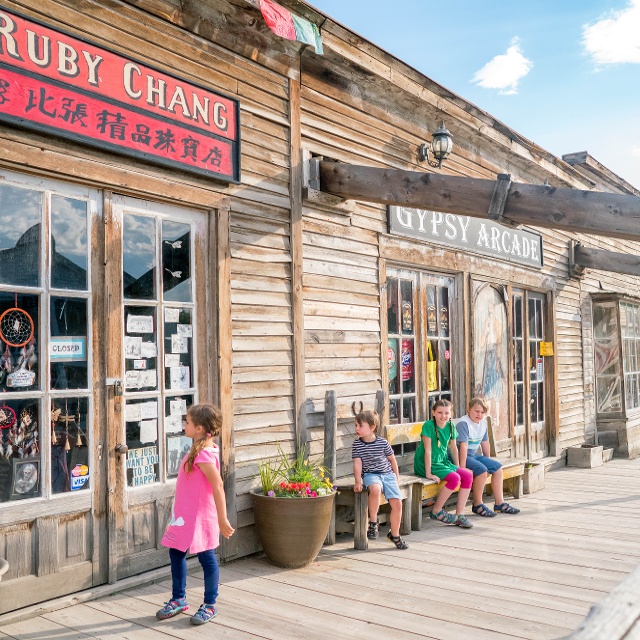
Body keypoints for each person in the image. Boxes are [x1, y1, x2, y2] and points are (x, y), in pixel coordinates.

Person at [156, 404, 235, 625]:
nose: (185, 425)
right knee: (176, 553)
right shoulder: (198, 450)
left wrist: (222, 518)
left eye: (188, 422)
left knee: (206, 558)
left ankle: (210, 605)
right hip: (185, 516)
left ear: (199, 428)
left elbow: (218, 486)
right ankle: (179, 599)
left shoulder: (205, 455)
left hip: (201, 518)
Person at [352, 409, 408, 550]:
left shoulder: (383, 443)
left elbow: (392, 460)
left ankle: (394, 535)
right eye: (356, 426)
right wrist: (358, 481)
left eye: (360, 426)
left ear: (372, 427)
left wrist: (396, 477)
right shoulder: (357, 445)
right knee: (375, 489)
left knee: (397, 503)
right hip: (371, 474)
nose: (357, 429)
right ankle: (373, 522)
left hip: (388, 475)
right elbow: (357, 464)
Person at [414, 399, 473, 528]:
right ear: (433, 413)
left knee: (467, 475)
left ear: (451, 414)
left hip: (442, 461)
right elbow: (428, 450)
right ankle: (436, 510)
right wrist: (428, 473)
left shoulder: (451, 426)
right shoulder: (429, 426)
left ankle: (460, 514)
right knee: (455, 478)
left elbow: (453, 448)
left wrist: (457, 466)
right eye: (440, 412)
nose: (443, 416)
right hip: (426, 463)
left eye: (446, 413)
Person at [456, 396, 520, 517]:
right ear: (468, 409)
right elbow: (463, 446)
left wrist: (488, 460)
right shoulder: (463, 423)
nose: (479, 414)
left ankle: (499, 503)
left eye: (482, 412)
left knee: (497, 468)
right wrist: (462, 467)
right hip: (461, 456)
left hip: (474, 455)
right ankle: (477, 504)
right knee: (482, 471)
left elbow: (485, 442)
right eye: (476, 411)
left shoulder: (483, 423)